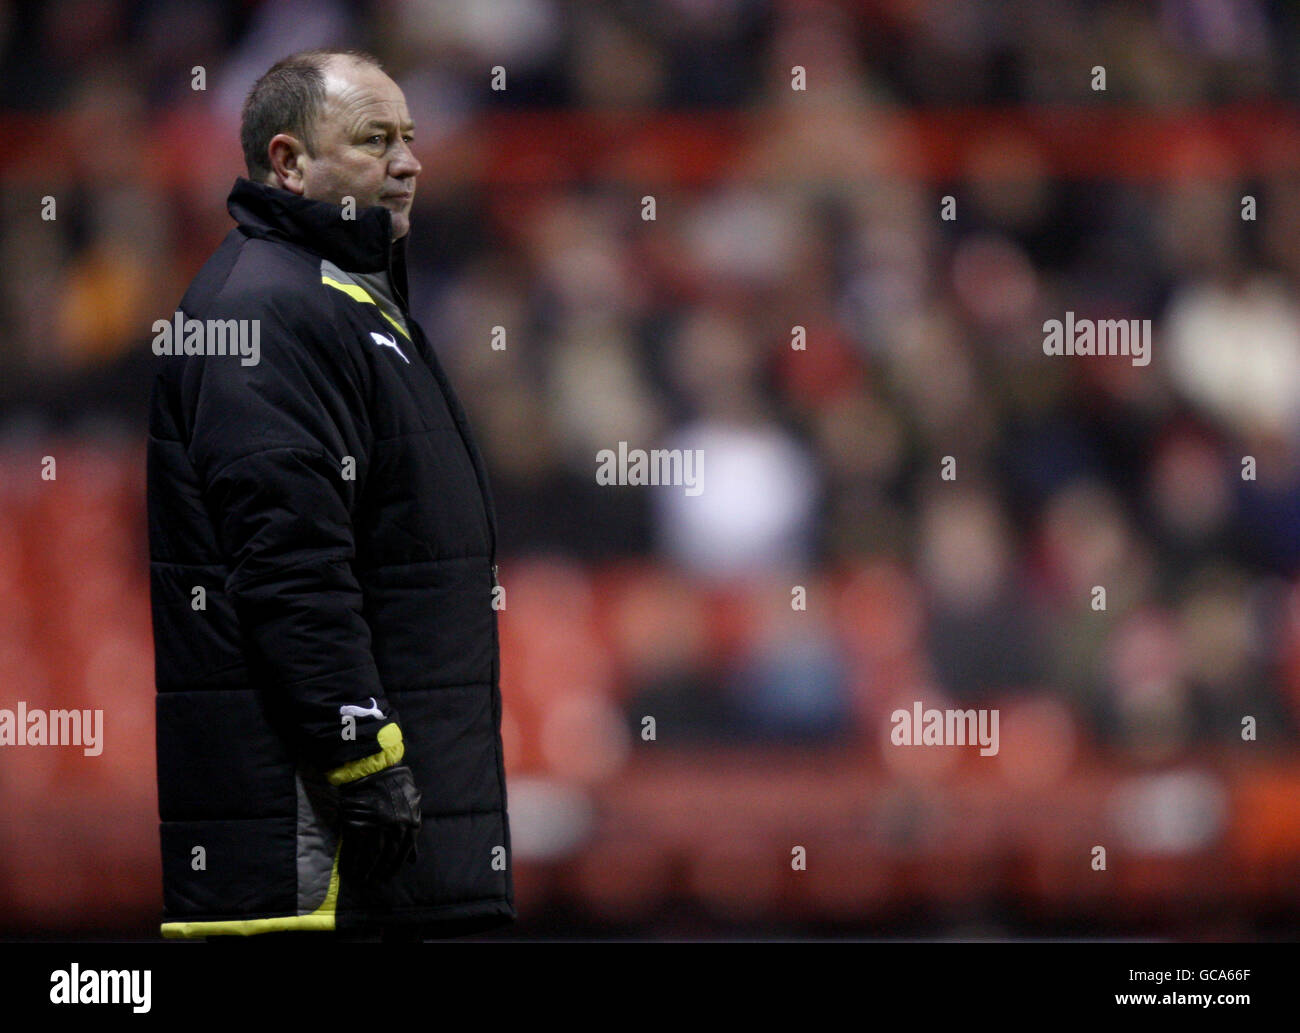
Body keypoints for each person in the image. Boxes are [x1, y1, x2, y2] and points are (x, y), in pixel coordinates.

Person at [146, 49, 514, 940]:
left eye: (411, 139)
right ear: (287, 162)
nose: (409, 162)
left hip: (396, 858)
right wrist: (362, 760)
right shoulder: (269, 311)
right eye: (373, 139)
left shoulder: (345, 301)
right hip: (320, 865)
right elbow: (289, 564)